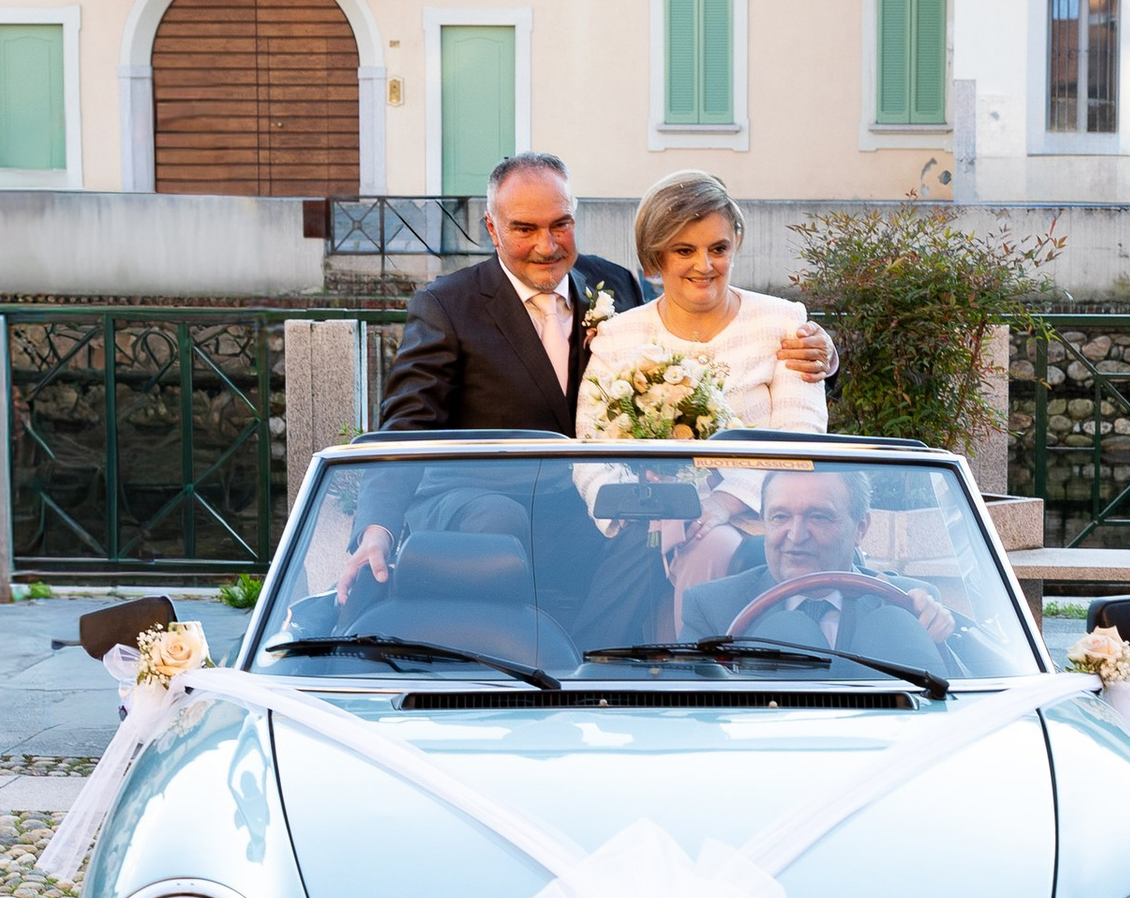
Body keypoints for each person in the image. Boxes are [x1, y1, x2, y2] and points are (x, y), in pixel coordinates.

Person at [339, 151, 834, 598]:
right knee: (502, 520)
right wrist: (378, 527)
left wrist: (825, 358)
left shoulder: (612, 283)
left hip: (590, 498)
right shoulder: (447, 304)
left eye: (561, 224)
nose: (546, 245)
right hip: (484, 500)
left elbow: (673, 358)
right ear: (492, 229)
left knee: (649, 536)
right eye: (524, 229)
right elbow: (406, 424)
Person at [578, 172, 827, 598]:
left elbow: (799, 437)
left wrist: (722, 505)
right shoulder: (619, 335)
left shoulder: (783, 322)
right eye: (684, 250)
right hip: (641, 530)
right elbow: (589, 449)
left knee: (712, 545)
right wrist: (634, 513)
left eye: (718, 249)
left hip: (758, 524)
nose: (704, 265)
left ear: (736, 245)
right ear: (655, 260)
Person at [676, 467, 957, 672]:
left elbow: (962, 710)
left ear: (861, 528)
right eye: (781, 517)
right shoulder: (712, 608)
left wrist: (939, 640)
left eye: (819, 516)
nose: (796, 535)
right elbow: (690, 717)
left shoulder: (906, 604)